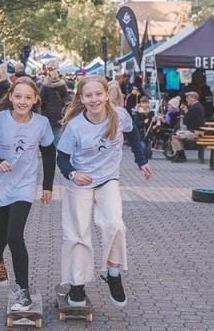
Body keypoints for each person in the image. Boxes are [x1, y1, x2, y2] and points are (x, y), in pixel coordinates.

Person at [56, 76, 153, 308]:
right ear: (81, 98)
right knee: (78, 233)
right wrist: (73, 174)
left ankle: (113, 273)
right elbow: (62, 158)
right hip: (79, 182)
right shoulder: (75, 126)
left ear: (106, 94)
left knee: (115, 224)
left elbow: (133, 135)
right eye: (88, 95)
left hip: (108, 179)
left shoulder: (119, 116)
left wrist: (142, 161)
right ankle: (77, 286)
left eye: (98, 94)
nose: (94, 99)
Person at [0, 76, 55, 311]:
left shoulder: (42, 123)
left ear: (36, 99)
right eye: (18, 96)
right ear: (10, 97)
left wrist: (47, 186)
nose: (22, 101)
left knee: (15, 236)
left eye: (28, 97)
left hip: (24, 186)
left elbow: (48, 153)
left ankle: (22, 291)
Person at [169, 91, 205, 163]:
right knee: (178, 135)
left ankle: (181, 155)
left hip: (196, 133)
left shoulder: (195, 108)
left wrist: (186, 111)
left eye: (188, 98)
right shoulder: (198, 106)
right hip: (197, 131)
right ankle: (180, 155)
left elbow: (185, 121)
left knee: (174, 136)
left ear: (194, 98)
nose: (186, 99)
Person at [40, 70, 68, 145]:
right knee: (57, 134)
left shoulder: (45, 87)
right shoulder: (62, 86)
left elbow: (41, 101)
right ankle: (59, 151)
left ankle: (50, 152)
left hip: (47, 114)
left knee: (47, 135)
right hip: (59, 113)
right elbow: (66, 99)